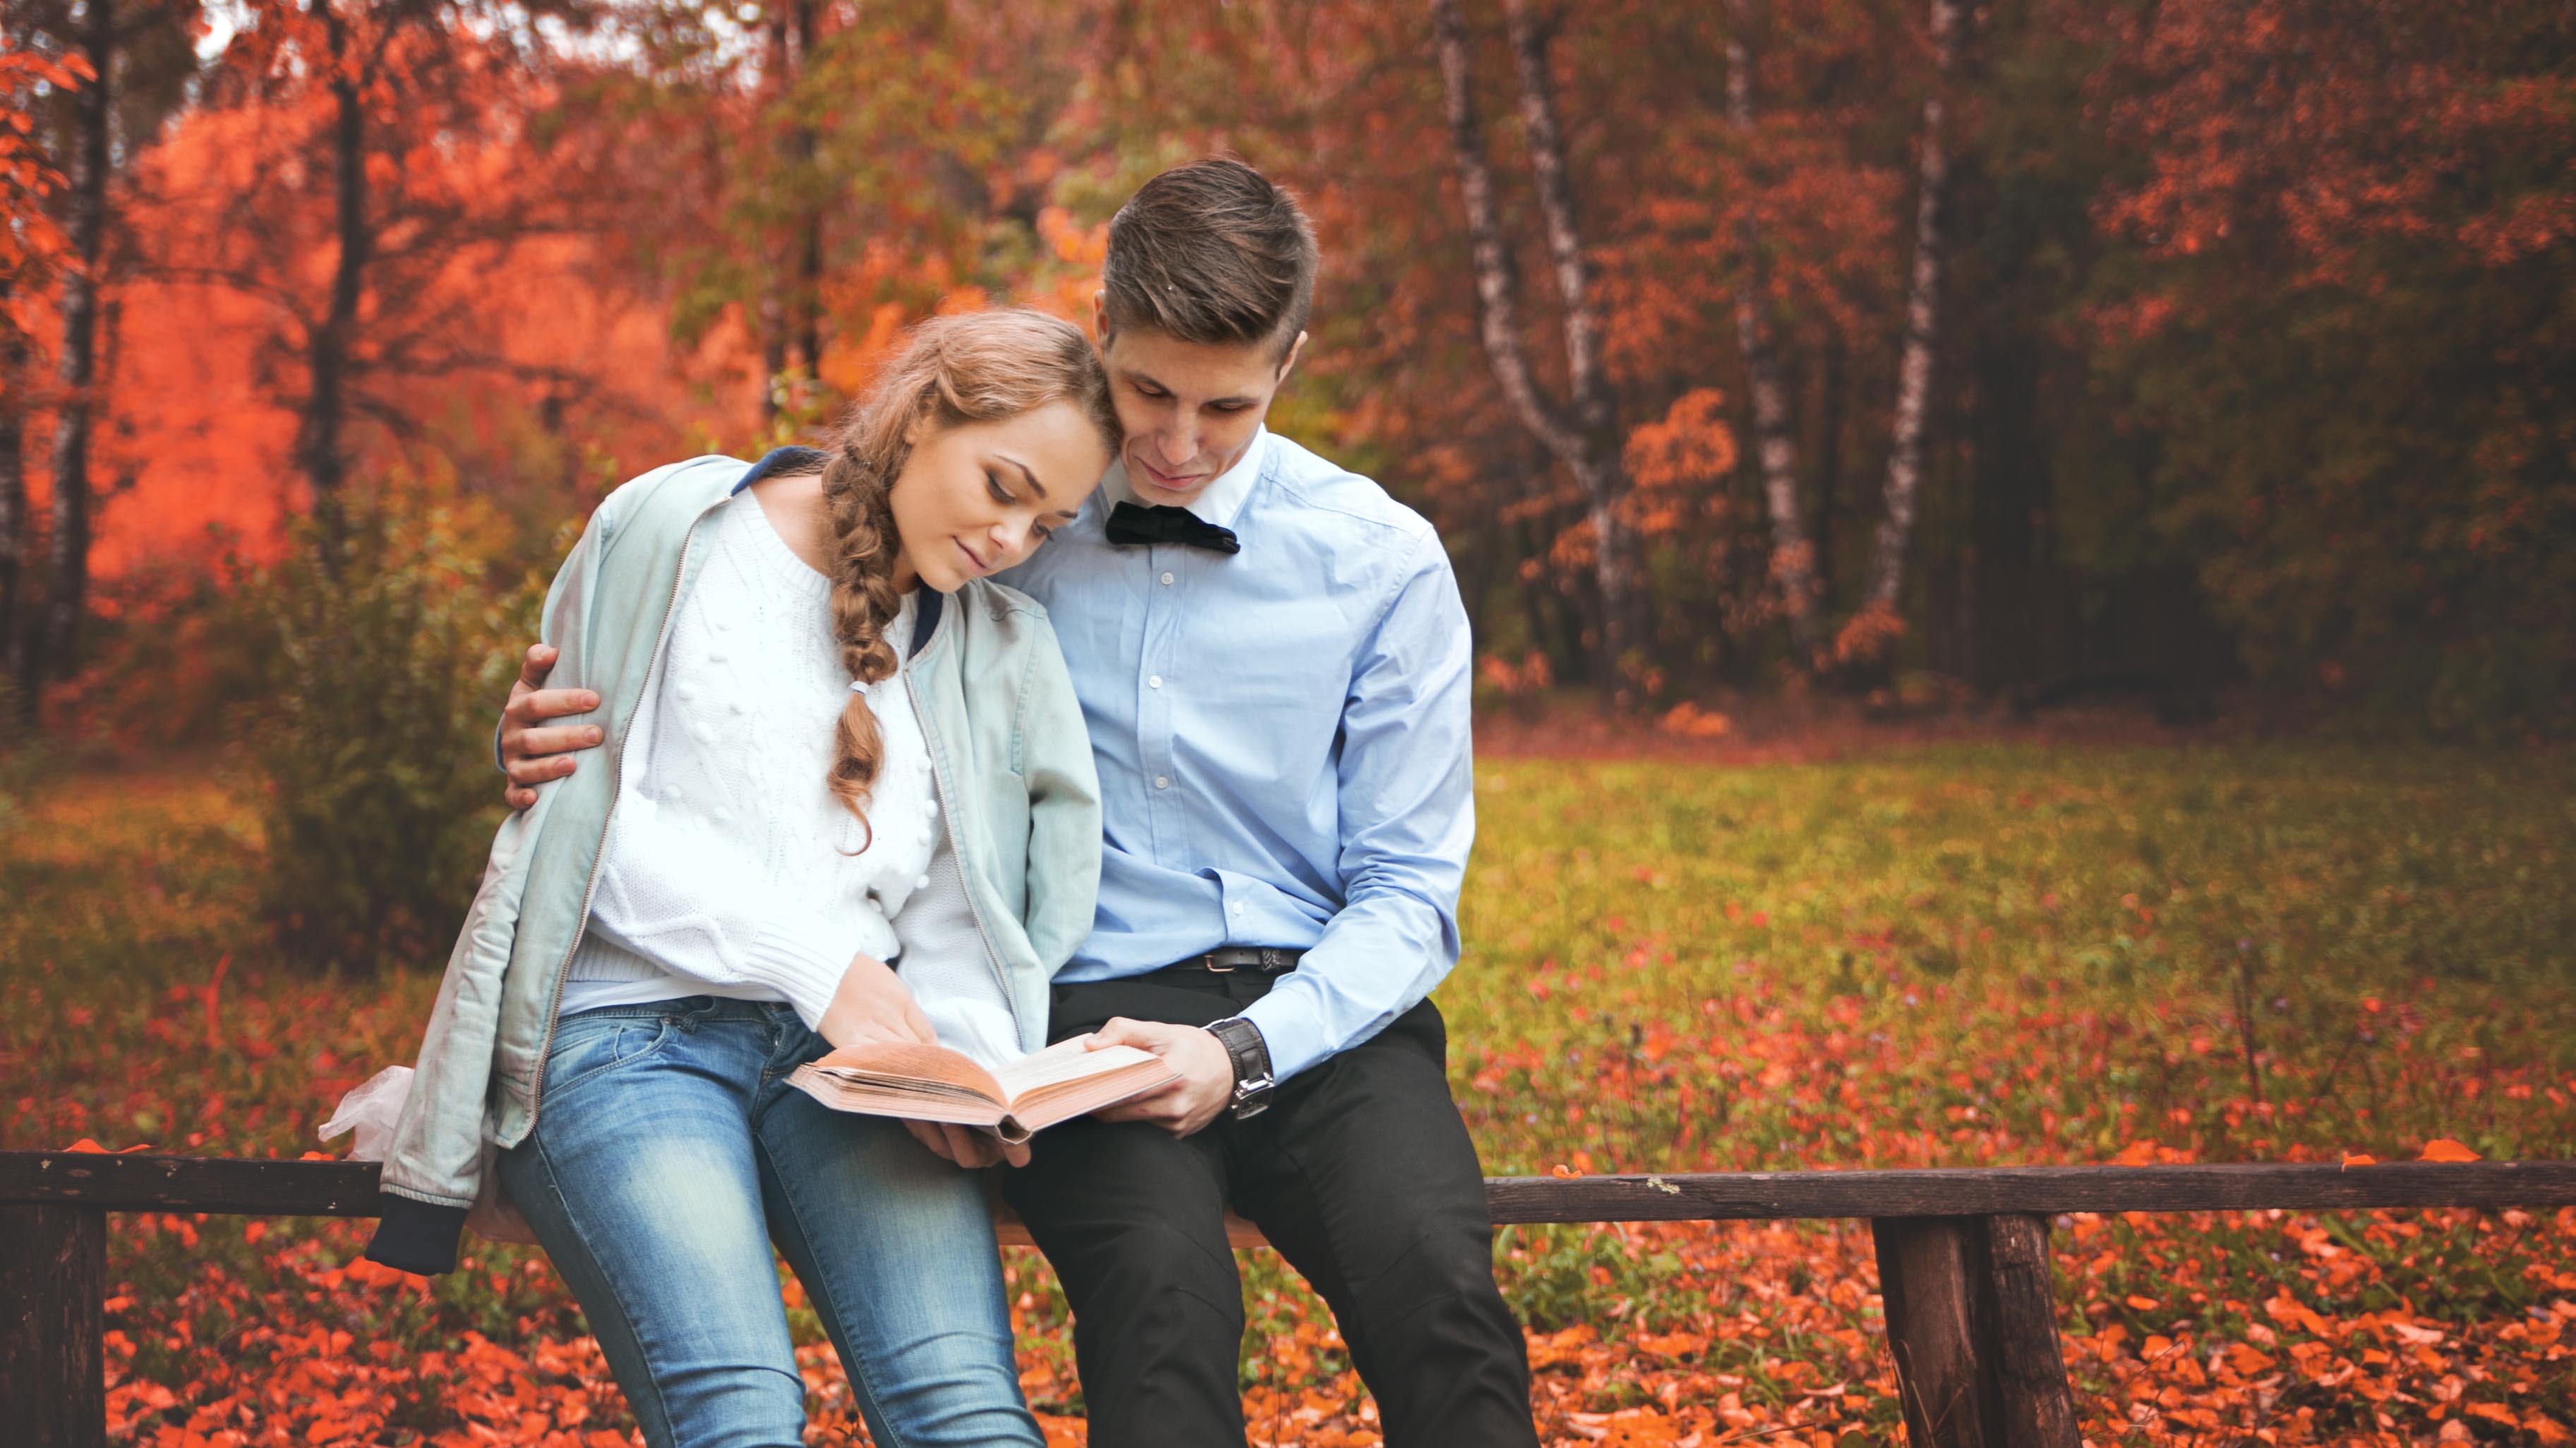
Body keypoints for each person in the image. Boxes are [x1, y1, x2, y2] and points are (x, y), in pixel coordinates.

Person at [498, 160, 1540, 1447]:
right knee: (1157, 1298)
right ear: (1099, 324)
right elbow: (813, 746)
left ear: (1291, 364)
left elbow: (1407, 892)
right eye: (1148, 392)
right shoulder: (990, 525)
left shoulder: (1378, 559)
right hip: (1088, 1018)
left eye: (1226, 406)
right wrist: (543, 740)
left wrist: (1241, 1048)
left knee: (1440, 1294)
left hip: (1320, 1014)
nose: (1173, 444)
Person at [366, 308, 1117, 1448]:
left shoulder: (986, 644)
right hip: (625, 1038)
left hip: (852, 1069)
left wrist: (956, 1069)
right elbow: (583, 827)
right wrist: (812, 967)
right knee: (740, 1410)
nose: (1013, 536)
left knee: (964, 1410)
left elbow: (960, 906)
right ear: (923, 413)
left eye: (1045, 520)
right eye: (1002, 485)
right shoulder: (679, 529)